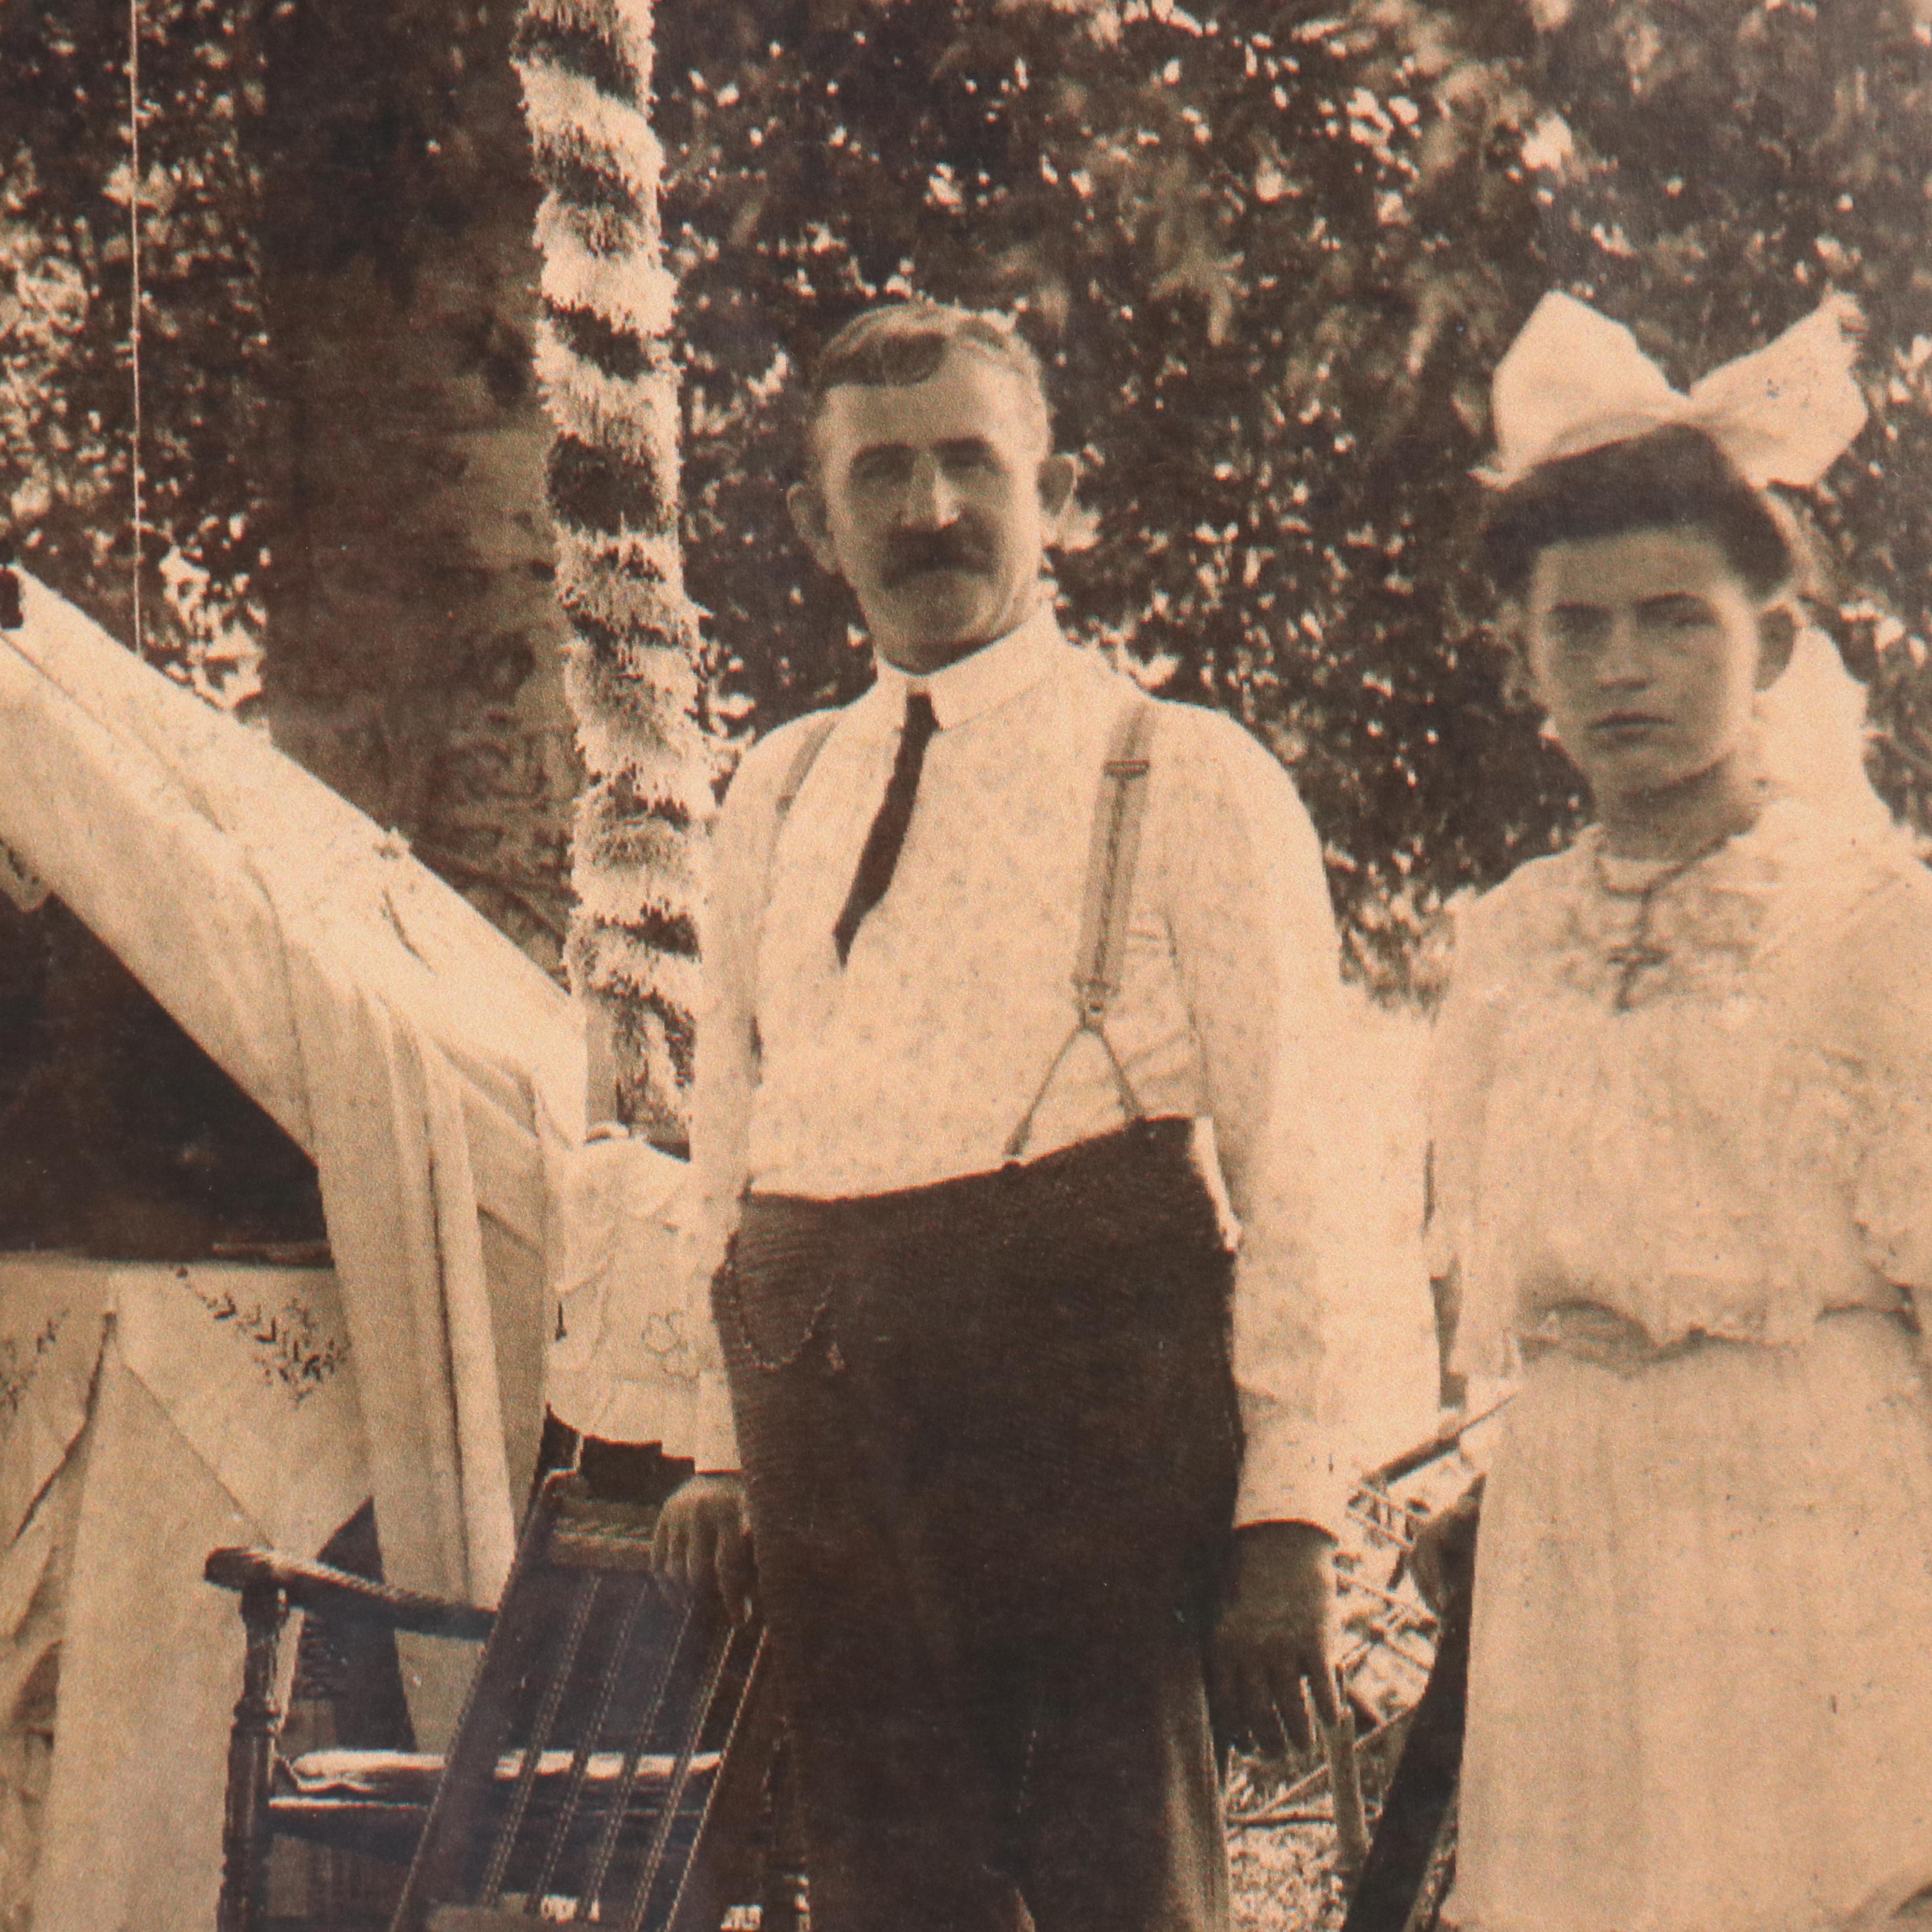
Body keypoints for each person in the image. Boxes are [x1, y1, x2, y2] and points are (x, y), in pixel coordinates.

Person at [650, 300, 1360, 1932]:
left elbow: (1302, 1162)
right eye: (880, 474)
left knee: (1127, 1901)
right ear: (819, 523)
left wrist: (1287, 1512)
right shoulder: (782, 787)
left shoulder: (1177, 770)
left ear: (1056, 490)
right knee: (894, 1902)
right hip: (837, 1447)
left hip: (1094, 1446)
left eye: (973, 462)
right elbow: (735, 1151)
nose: (931, 511)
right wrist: (721, 1449)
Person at [1422, 291, 1932, 1932]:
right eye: (1580, 628)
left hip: (1812, 1512)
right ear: (1527, 662)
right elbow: (1488, 1282)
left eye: (1676, 621)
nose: (1625, 669)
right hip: (1581, 1516)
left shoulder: (1874, 924)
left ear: (1771, 644)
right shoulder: (1503, 944)